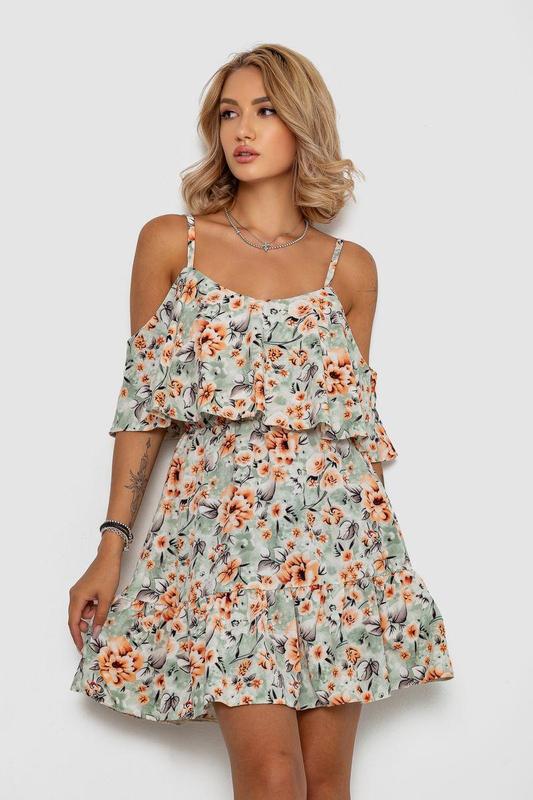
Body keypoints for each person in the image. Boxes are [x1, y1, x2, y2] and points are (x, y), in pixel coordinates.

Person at [69, 43, 454, 800]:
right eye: (228, 113)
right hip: (223, 538)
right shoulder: (172, 243)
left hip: (335, 540)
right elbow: (144, 406)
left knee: (326, 783)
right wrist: (111, 547)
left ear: (302, 124)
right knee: (273, 776)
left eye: (265, 110)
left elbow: (352, 426)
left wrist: (378, 577)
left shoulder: (350, 269)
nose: (242, 130)